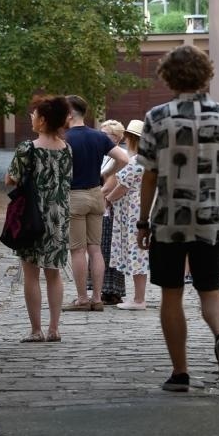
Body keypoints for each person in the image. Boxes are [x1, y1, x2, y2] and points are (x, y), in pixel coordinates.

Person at [136, 45, 219, 392]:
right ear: (205, 74)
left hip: (169, 220)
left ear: (168, 76)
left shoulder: (156, 117)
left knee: (171, 294)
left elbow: (149, 175)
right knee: (211, 289)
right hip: (210, 216)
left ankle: (180, 372)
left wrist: (142, 221)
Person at [6, 94, 73, 342]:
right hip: (60, 214)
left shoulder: (27, 148)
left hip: (32, 216)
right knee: (54, 273)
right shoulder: (67, 149)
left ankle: (36, 330)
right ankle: (55, 328)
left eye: (34, 114)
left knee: (31, 273)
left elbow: (10, 179)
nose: (31, 117)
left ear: (43, 120)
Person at [63, 94, 128, 313]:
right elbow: (124, 159)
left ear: (70, 113)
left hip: (75, 196)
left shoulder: (64, 138)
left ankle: (82, 298)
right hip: (96, 195)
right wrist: (105, 174)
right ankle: (97, 298)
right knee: (96, 249)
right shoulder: (98, 136)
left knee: (78, 250)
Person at [107, 119, 148, 309]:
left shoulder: (135, 161)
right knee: (140, 253)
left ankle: (139, 299)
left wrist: (108, 199)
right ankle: (138, 296)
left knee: (136, 253)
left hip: (133, 212)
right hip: (143, 210)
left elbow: (122, 187)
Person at [99, 119, 127, 304]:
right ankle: (101, 288)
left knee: (110, 249)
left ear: (116, 138)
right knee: (101, 248)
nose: (101, 137)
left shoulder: (121, 155)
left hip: (112, 207)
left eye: (105, 134)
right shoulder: (104, 155)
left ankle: (112, 289)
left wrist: (98, 196)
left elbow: (112, 181)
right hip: (102, 205)